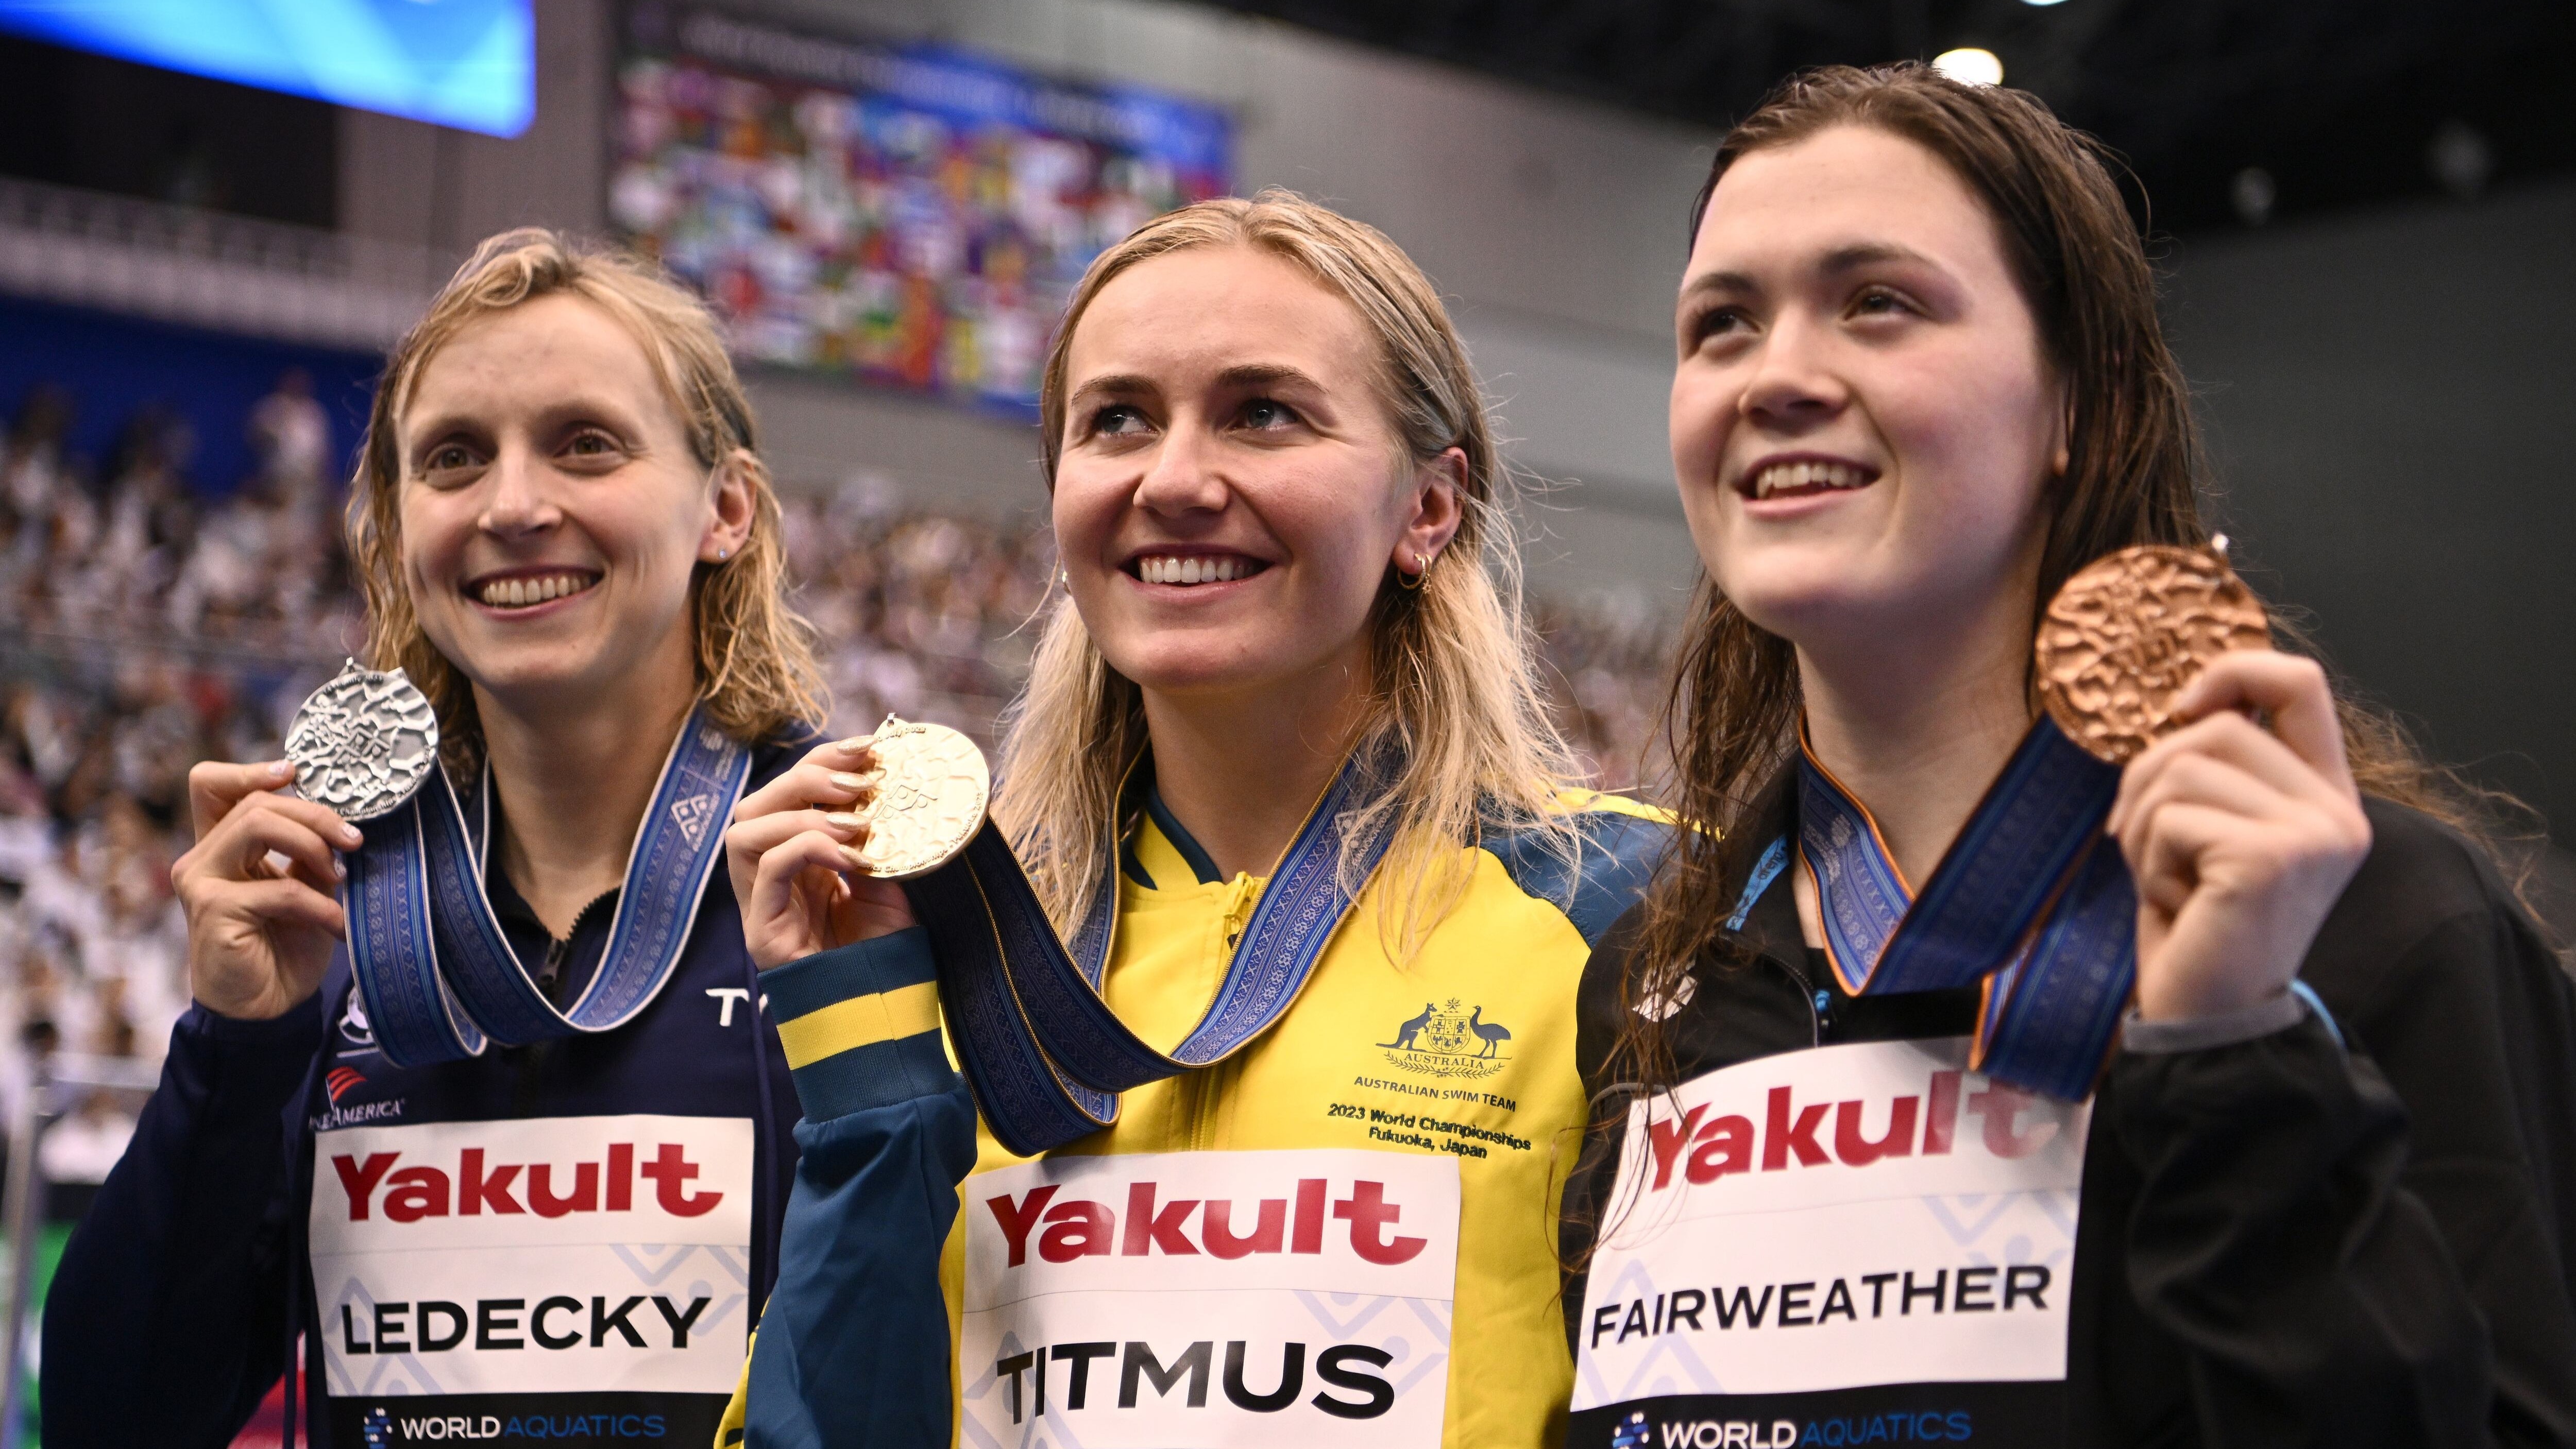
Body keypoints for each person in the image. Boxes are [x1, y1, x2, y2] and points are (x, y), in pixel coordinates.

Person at [1556, 64, 2576, 1446]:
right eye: (1721, 324)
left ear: (2079, 405)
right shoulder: (1655, 971)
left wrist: (2235, 1046)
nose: (1779, 375)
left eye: (1879, 303)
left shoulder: (2370, 919)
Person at [721, 193, 1667, 1447]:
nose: (1172, 480)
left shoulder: (1629, 909)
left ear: (1428, 510)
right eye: (1116, 421)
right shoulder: (947, 948)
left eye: (1262, 413)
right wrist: (877, 1091)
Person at [45, 230, 823, 1447]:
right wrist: (235, 1050)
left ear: (726, 508)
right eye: (455, 459)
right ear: (403, 528)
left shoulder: (844, 879)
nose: (515, 506)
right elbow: (114, 1420)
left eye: (586, 444)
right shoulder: (340, 909)